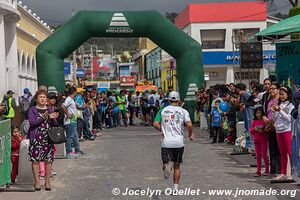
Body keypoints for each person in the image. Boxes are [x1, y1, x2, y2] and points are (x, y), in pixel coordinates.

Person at [153, 91, 193, 194]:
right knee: (177, 166)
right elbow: (189, 125)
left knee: (165, 163)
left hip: (166, 142)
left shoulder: (162, 110)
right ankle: (175, 188)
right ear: (179, 100)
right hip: (179, 143)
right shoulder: (184, 111)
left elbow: (155, 123)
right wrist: (190, 135)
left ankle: (167, 165)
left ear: (169, 100)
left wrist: (162, 130)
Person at [28, 90, 59, 191]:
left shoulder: (50, 109)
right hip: (36, 138)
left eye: (44, 97)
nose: (42, 99)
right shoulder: (32, 109)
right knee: (35, 160)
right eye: (40, 97)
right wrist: (44, 117)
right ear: (36, 99)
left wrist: (53, 118)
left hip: (48, 138)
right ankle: (37, 182)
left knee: (48, 160)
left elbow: (55, 125)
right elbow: (32, 123)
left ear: (47, 100)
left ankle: (47, 182)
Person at [272, 86, 294, 181]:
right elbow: (275, 119)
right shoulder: (279, 104)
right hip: (279, 130)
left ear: (288, 94)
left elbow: (289, 119)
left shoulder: (291, 105)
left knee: (290, 152)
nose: (281, 96)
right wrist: (274, 111)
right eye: (280, 94)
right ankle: (283, 173)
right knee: (282, 153)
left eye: (283, 94)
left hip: (287, 130)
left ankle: (294, 172)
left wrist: (280, 111)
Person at [264, 83, 281, 176]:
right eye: (270, 89)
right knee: (272, 148)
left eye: (273, 88)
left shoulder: (280, 100)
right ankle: (273, 169)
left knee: (278, 149)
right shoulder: (268, 101)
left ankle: (279, 169)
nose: (271, 90)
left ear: (278, 90)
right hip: (270, 127)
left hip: (278, 127)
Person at [61, 87, 81, 159]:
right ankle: (68, 153)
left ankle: (77, 150)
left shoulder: (71, 99)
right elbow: (63, 106)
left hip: (73, 121)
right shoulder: (68, 99)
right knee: (69, 137)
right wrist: (68, 114)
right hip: (69, 121)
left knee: (75, 136)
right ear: (74, 92)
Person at [250, 106, 269, 177]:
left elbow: (266, 132)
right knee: (258, 156)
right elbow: (251, 131)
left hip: (263, 140)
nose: (258, 114)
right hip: (256, 141)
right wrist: (255, 129)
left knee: (264, 156)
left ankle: (267, 170)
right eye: (257, 113)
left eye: (260, 113)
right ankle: (259, 170)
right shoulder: (254, 121)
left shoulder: (264, 121)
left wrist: (261, 131)